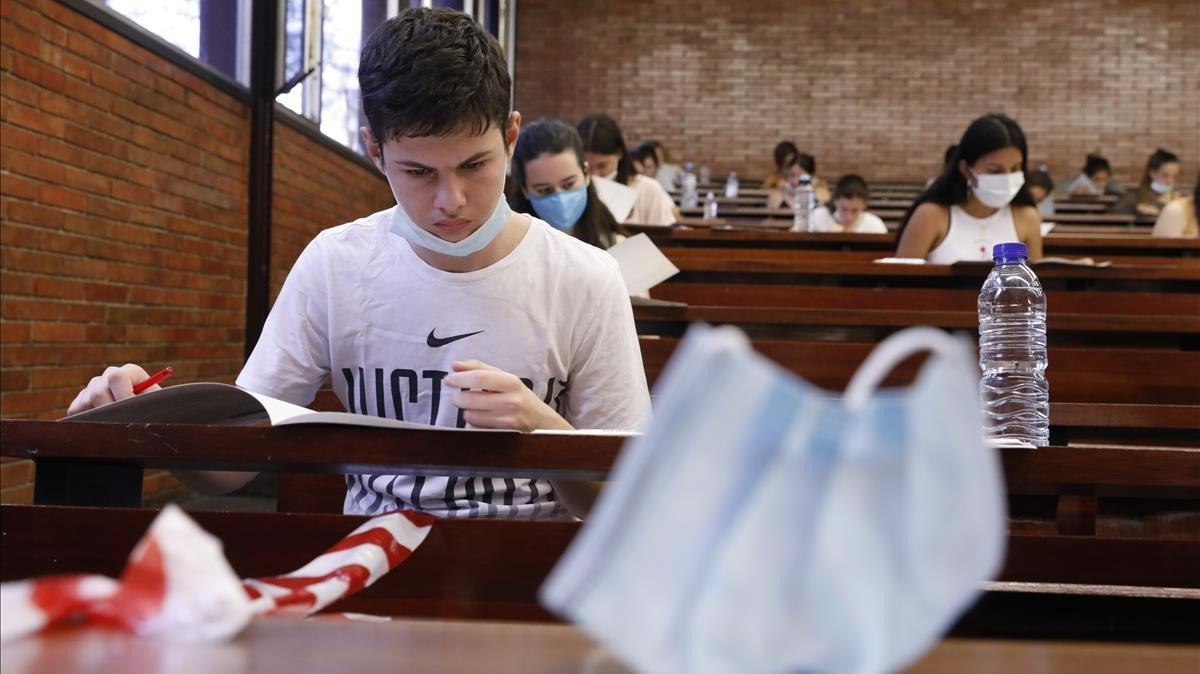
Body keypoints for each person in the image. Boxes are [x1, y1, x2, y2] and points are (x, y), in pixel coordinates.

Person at [67, 7, 650, 520]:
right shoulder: (335, 265)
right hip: (371, 567)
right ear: (375, 151)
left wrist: (543, 429)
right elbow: (232, 467)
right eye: (417, 172)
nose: (451, 200)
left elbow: (630, 507)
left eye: (475, 164)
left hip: (528, 578)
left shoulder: (586, 277)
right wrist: (145, 425)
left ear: (512, 136)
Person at [895, 113, 1043, 263]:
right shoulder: (930, 215)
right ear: (966, 169)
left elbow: (1037, 281)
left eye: (1015, 169)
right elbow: (901, 279)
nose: (1006, 178)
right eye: (994, 171)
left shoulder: (1027, 217)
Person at [509, 118, 625, 250]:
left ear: (586, 173)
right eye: (544, 190)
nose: (560, 199)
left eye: (569, 184)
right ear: (525, 189)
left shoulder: (616, 245)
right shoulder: (509, 250)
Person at [577, 114, 676, 226]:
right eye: (587, 167)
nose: (595, 175)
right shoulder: (573, 192)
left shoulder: (648, 190)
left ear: (619, 153)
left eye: (602, 166)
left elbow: (664, 237)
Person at [1112, 149, 1182, 217]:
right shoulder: (1134, 197)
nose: (1170, 181)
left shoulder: (1179, 199)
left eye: (1175, 177)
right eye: (1165, 176)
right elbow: (1111, 216)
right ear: (1152, 173)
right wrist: (1136, 208)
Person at [809, 174, 889, 233]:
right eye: (844, 209)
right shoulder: (819, 217)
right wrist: (828, 238)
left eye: (855, 210)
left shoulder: (875, 226)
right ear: (835, 201)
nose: (848, 217)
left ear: (864, 206)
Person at [766, 152, 831, 209]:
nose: (795, 181)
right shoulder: (777, 196)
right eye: (792, 175)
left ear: (811, 177)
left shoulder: (822, 196)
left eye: (801, 176)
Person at [1057, 153, 1123, 196]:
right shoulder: (1082, 184)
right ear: (1089, 177)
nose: (1103, 183)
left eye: (1106, 179)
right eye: (1097, 180)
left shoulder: (1110, 184)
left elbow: (1121, 190)